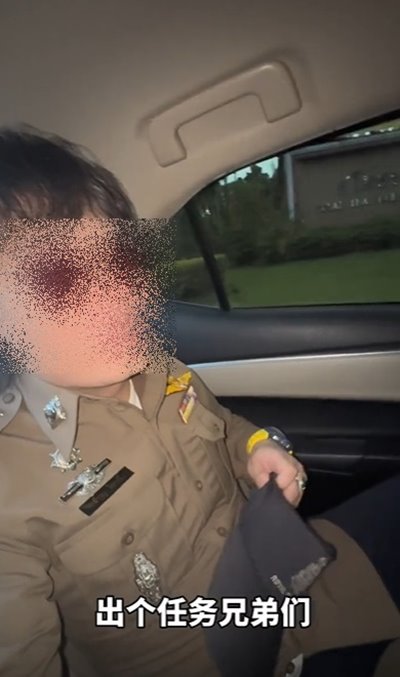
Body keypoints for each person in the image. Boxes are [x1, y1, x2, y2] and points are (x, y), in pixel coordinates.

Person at [0, 126, 398, 677]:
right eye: (60, 281)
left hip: (290, 577)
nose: (121, 295)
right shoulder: (9, 483)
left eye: (120, 261)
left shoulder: (162, 369)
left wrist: (257, 447)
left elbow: (224, 427)